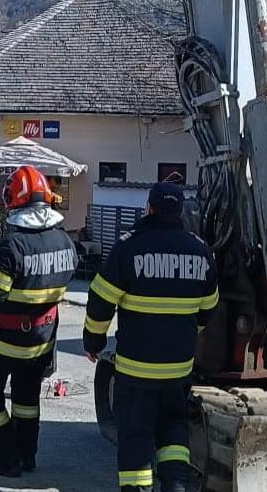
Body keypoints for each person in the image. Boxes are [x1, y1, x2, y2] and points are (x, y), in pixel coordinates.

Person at [84, 182, 218, 492]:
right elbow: (209, 310)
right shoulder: (200, 250)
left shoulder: (129, 247)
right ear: (181, 212)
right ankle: (177, 487)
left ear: (149, 208)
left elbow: (100, 302)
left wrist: (94, 343)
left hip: (136, 371)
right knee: (173, 433)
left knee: (136, 437)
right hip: (178, 371)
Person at [0, 165, 78, 478]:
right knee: (27, 399)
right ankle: (26, 456)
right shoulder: (65, 242)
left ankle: (6, 460)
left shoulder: (12, 246)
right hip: (43, 341)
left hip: (6, 340)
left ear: (12, 201)